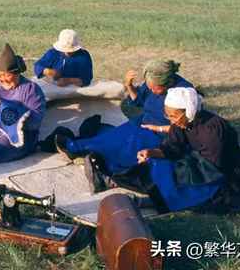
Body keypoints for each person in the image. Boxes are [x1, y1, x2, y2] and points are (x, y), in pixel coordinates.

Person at [101, 88, 240, 214]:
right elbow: (171, 148)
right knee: (156, 165)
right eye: (168, 116)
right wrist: (152, 153)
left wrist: (177, 169)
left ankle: (154, 200)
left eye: (174, 116)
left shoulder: (214, 129)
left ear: (189, 112)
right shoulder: (181, 123)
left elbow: (210, 167)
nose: (171, 121)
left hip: (222, 172)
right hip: (201, 162)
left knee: (172, 175)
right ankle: (151, 195)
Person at [55, 60, 194, 190]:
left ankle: (100, 163)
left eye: (156, 89)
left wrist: (157, 128)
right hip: (143, 122)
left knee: (130, 145)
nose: (152, 91)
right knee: (115, 135)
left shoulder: (184, 92)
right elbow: (138, 100)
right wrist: (129, 85)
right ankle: (79, 148)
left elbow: (187, 126)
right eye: (150, 87)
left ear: (169, 82)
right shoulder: (153, 82)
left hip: (164, 133)